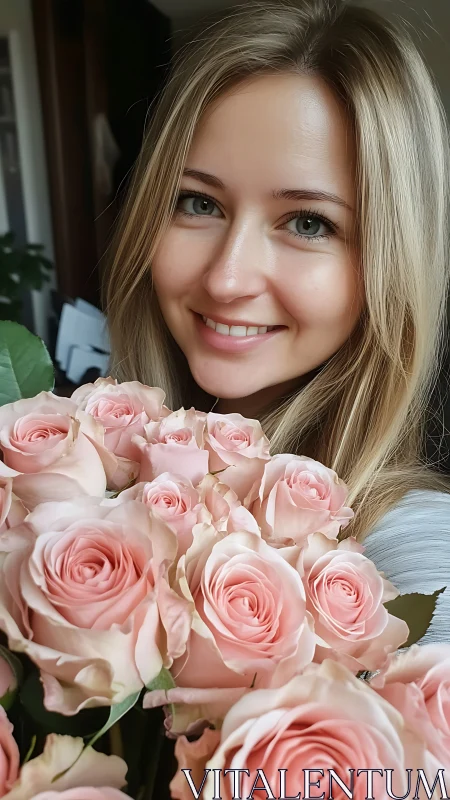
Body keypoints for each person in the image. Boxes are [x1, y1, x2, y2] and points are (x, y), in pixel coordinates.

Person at [104, 0, 450, 642]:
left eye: (308, 223)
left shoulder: (413, 553)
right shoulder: (81, 476)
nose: (226, 278)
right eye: (197, 202)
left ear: (390, 264)